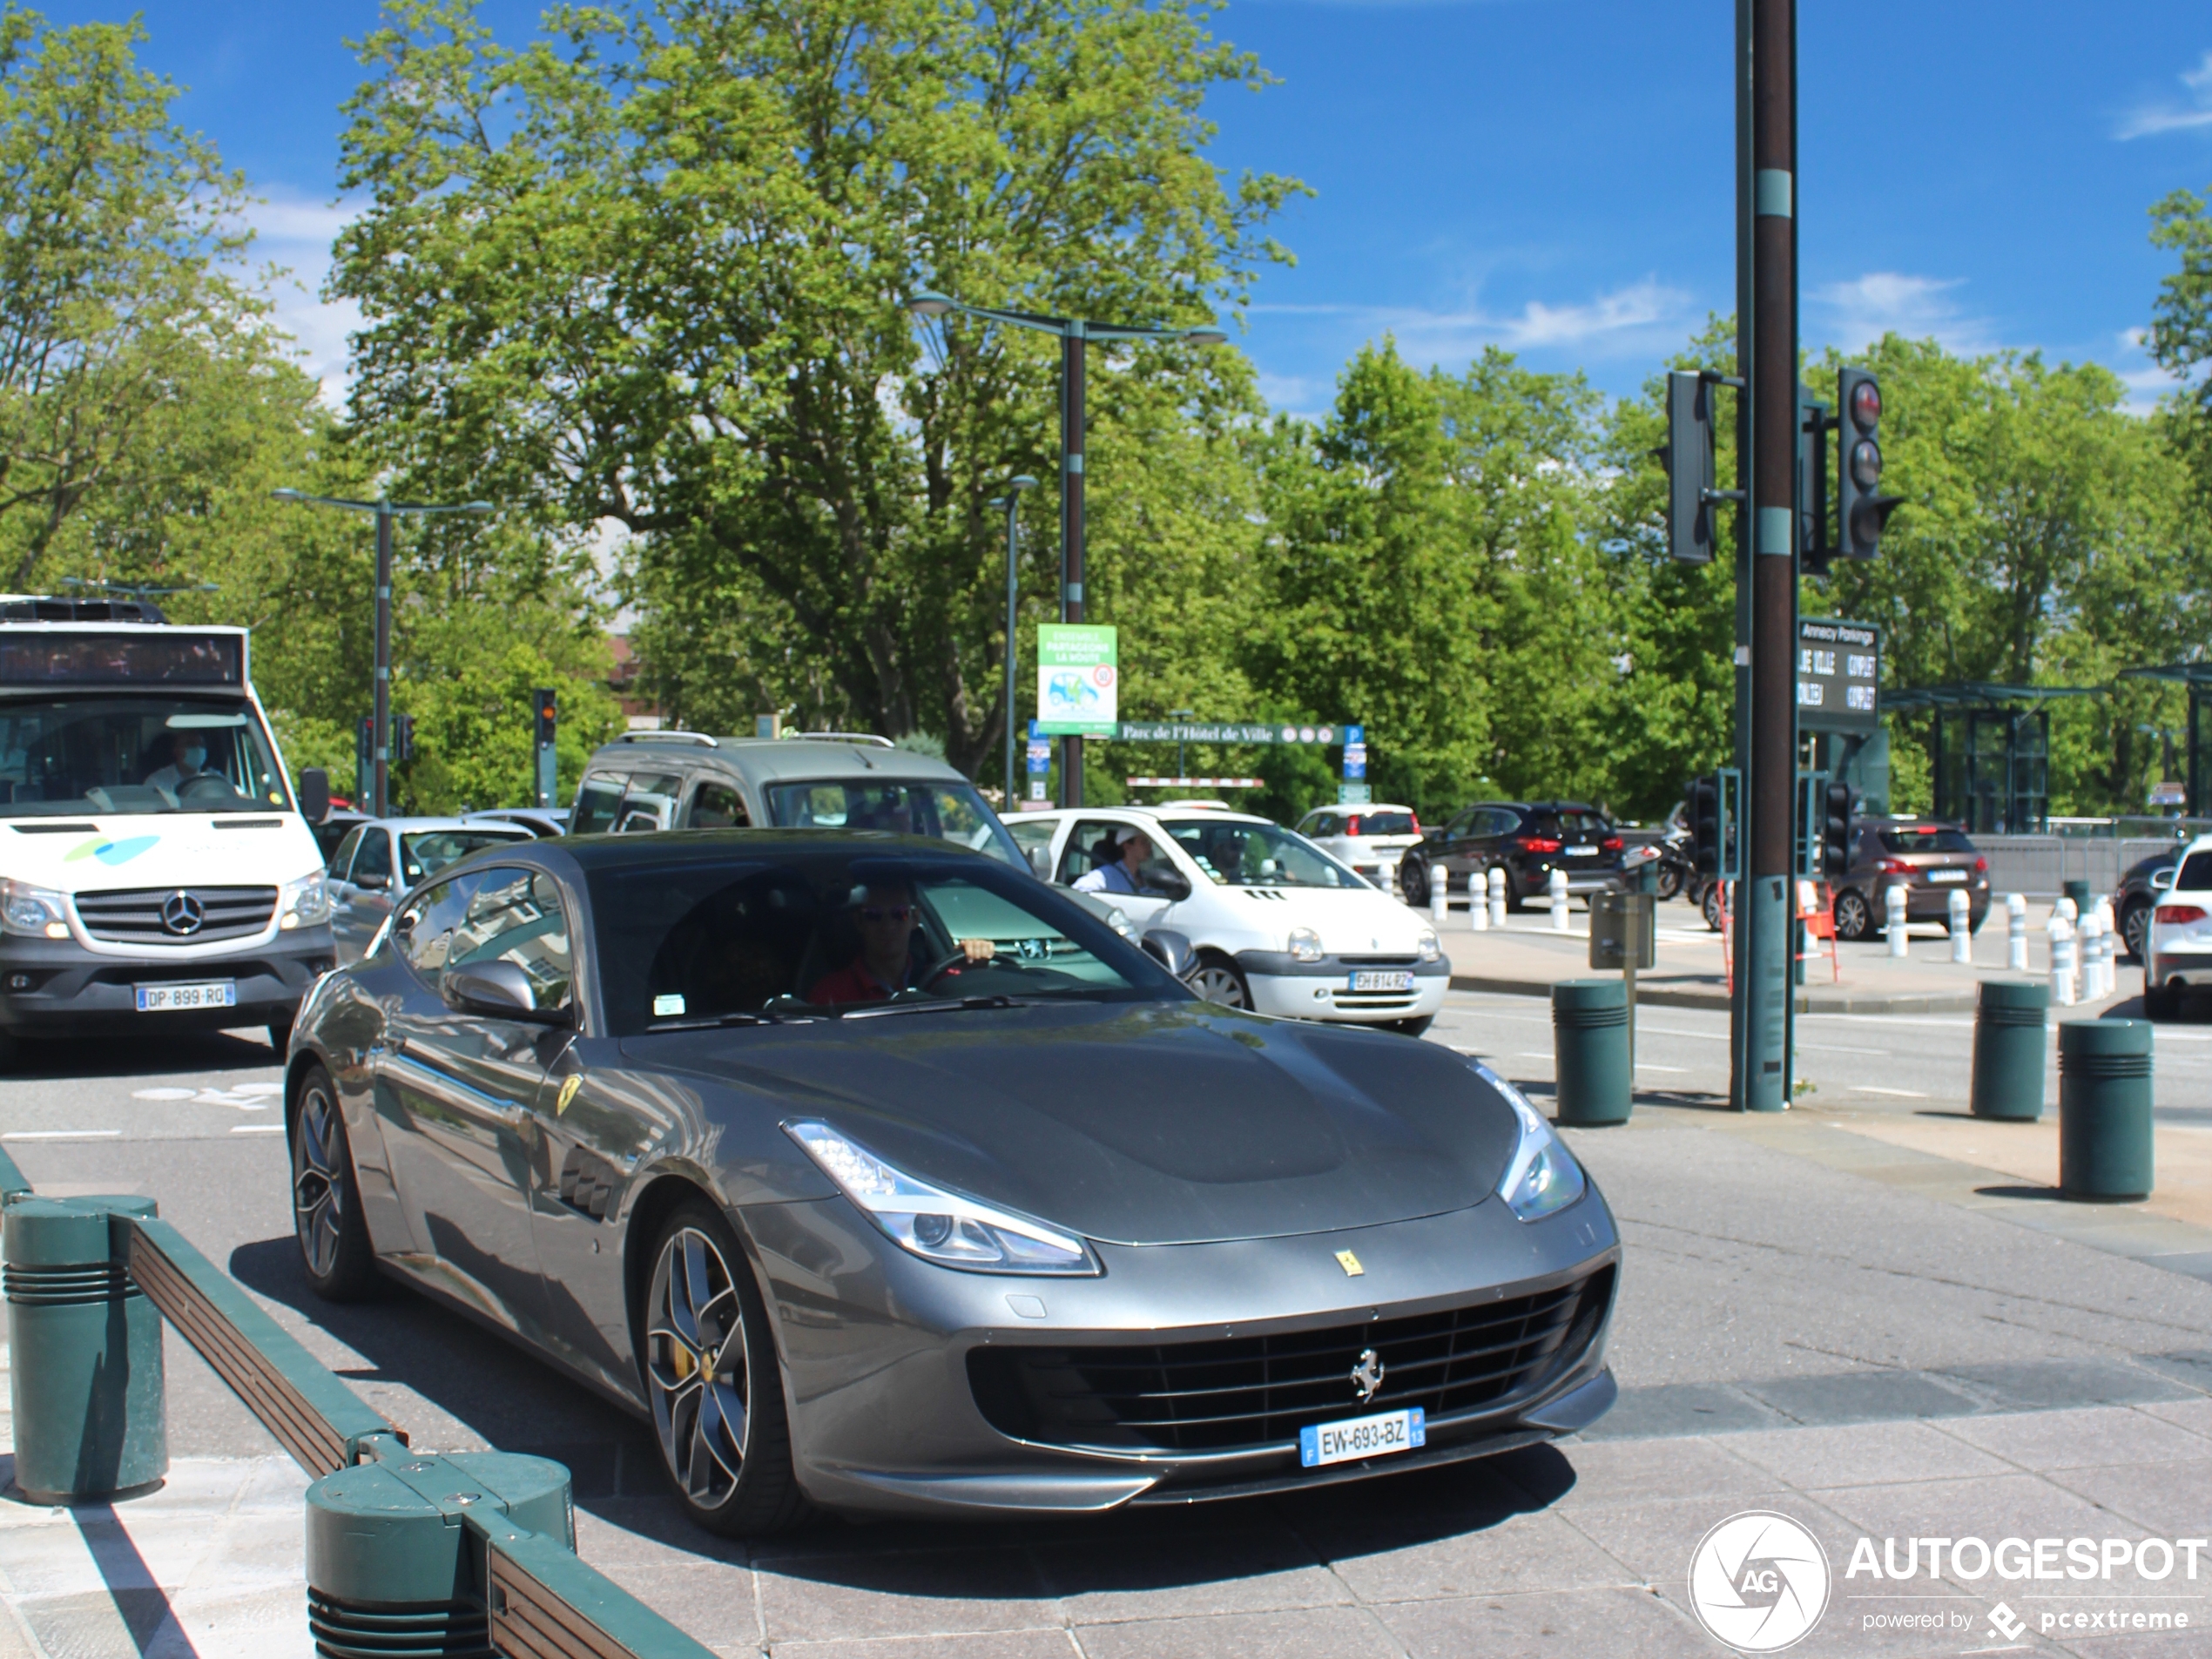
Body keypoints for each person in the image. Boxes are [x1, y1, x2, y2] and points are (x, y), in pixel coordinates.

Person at [807, 882, 993, 1005]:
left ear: (915, 919)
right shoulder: (830, 994)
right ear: (859, 922)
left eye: (899, 914)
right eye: (874, 915)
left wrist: (977, 970)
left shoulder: (943, 982)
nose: (887, 926)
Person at [1075, 828, 1154, 895]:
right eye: (1143, 842)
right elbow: (1078, 891)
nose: (1149, 847)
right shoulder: (1108, 874)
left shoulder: (1145, 876)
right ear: (1127, 847)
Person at [145, 731, 213, 800]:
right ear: (176, 751)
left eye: (202, 745)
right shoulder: (158, 781)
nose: (198, 749)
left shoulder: (215, 779)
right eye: (191, 745)